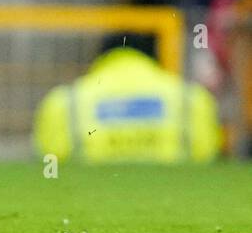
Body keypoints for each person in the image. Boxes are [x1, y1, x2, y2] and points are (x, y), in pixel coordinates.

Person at [33, 35, 221, 164]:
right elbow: (207, 155)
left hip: (87, 198)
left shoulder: (64, 99)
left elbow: (49, 157)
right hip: (176, 196)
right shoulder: (191, 97)